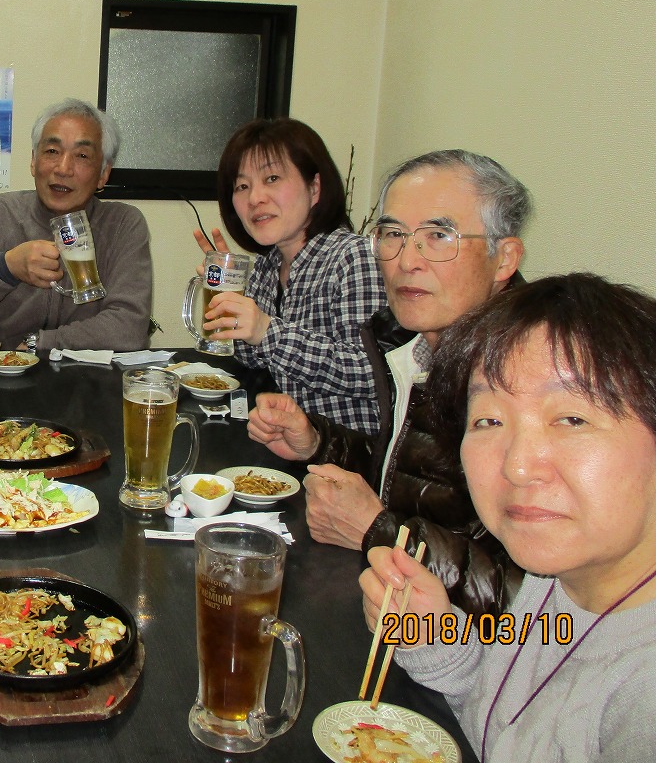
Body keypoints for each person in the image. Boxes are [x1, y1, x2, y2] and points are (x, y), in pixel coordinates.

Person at [360, 274, 656, 763]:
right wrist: (436, 638)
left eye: (572, 419)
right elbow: (517, 721)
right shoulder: (560, 582)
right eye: (489, 420)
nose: (517, 466)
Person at [247, 149, 529, 614]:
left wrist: (378, 529)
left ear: (505, 259)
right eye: (393, 234)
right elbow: (412, 480)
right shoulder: (413, 347)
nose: (407, 260)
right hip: (388, 613)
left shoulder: (529, 380)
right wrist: (317, 442)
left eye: (439, 236)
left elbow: (533, 601)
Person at [194, 118, 385, 435]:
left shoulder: (354, 256)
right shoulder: (267, 265)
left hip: (351, 452)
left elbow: (373, 374)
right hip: (290, 443)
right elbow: (254, 359)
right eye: (242, 186)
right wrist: (230, 298)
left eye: (272, 178)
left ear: (314, 188)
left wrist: (267, 330)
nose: (255, 198)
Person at [0, 97, 153, 351]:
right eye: (52, 152)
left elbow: (129, 327)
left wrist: (42, 342)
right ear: (33, 161)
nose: (63, 168)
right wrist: (5, 268)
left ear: (103, 174)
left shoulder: (123, 224)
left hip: (81, 374)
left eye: (82, 155)